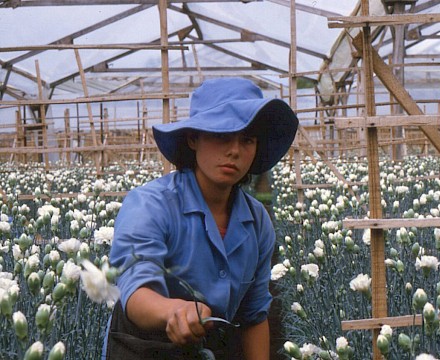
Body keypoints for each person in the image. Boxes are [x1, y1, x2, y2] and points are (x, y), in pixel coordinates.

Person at [103, 77, 299, 359]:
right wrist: (172, 311)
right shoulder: (150, 205)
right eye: (222, 135)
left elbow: (254, 316)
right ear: (193, 138)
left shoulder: (257, 222)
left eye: (247, 139)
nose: (235, 150)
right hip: (146, 349)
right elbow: (135, 290)